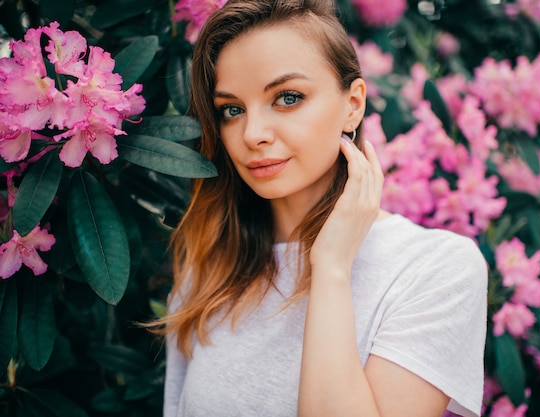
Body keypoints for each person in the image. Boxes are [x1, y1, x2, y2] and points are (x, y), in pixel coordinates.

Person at [158, 0, 488, 416]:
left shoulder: (434, 268)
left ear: (353, 105)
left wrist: (331, 266)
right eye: (232, 110)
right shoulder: (208, 271)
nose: (253, 133)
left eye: (287, 97)